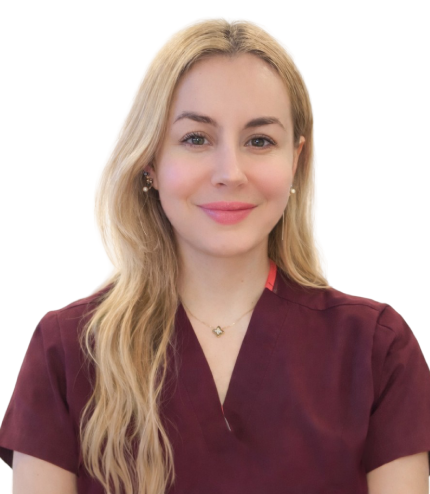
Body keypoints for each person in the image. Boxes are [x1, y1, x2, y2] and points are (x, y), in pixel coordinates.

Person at [0, 16, 429, 494]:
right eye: (196, 138)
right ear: (150, 161)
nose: (230, 172)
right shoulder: (68, 351)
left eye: (259, 141)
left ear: (295, 160)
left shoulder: (377, 350)